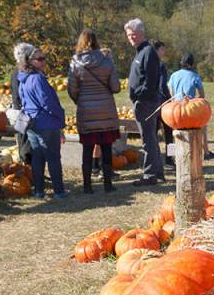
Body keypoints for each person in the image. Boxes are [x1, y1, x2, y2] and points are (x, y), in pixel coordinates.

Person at [68, 29, 121, 193]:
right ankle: (107, 184)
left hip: (86, 111)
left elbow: (72, 89)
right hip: (106, 110)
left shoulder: (75, 63)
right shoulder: (107, 61)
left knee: (87, 148)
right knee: (106, 148)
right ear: (97, 41)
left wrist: (81, 100)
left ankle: (87, 186)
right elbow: (116, 87)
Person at [14, 43, 67, 199]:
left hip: (31, 124)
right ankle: (58, 191)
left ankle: (39, 190)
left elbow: (23, 101)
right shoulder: (37, 78)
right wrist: (60, 118)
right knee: (53, 157)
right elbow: (48, 102)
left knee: (38, 157)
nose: (43, 62)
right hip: (46, 124)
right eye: (39, 59)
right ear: (29, 61)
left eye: (44, 58)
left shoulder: (23, 78)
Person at [124, 18, 163, 186]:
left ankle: (149, 175)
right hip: (143, 102)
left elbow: (151, 81)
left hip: (146, 103)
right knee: (151, 139)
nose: (131, 38)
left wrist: (139, 97)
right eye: (128, 35)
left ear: (141, 33)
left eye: (133, 34)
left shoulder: (148, 52)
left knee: (148, 140)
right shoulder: (140, 51)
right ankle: (158, 172)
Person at [168, 53, 214, 159]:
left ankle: (171, 156)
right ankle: (206, 152)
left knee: (172, 132)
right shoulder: (195, 76)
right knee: (203, 126)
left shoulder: (173, 75)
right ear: (191, 65)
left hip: (175, 111)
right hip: (189, 110)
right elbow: (202, 96)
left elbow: (171, 94)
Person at [153, 41, 175, 167]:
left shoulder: (147, 64)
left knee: (153, 133)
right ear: (157, 50)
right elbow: (162, 86)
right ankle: (169, 159)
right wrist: (169, 99)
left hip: (151, 103)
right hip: (163, 103)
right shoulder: (161, 65)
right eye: (162, 49)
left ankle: (155, 159)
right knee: (169, 133)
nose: (163, 52)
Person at [9, 60, 31, 165]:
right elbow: (17, 96)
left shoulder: (17, 72)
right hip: (24, 111)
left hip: (21, 110)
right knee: (26, 143)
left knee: (24, 142)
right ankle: (28, 168)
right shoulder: (20, 73)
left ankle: (28, 168)